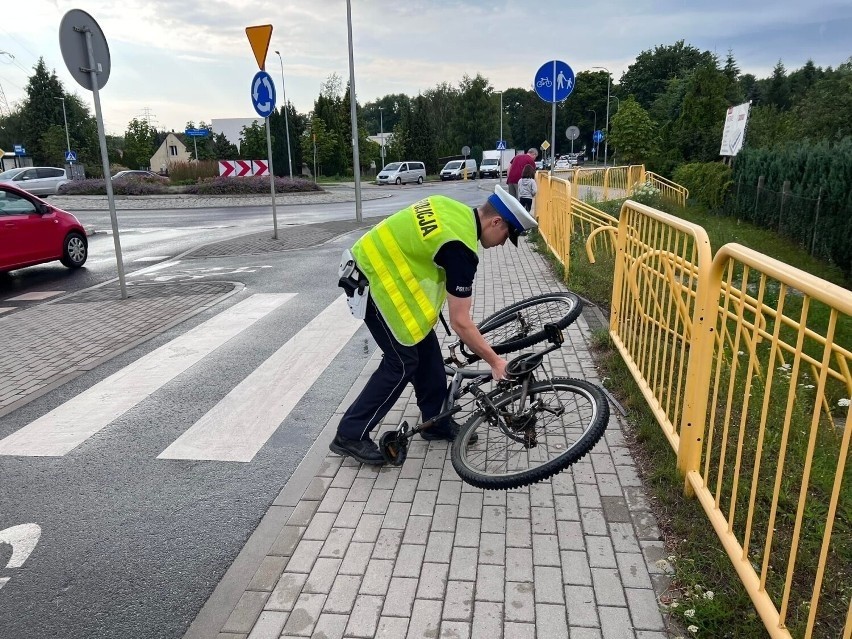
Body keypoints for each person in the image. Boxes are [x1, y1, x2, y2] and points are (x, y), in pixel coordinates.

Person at [330, 185, 538, 465]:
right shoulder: (461, 249)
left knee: (426, 352)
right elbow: (461, 323)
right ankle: (350, 435)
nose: (503, 244)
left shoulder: (450, 207)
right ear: (496, 221)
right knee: (401, 363)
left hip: (374, 269)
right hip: (373, 284)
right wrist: (495, 362)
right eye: (506, 236)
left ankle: (435, 421)